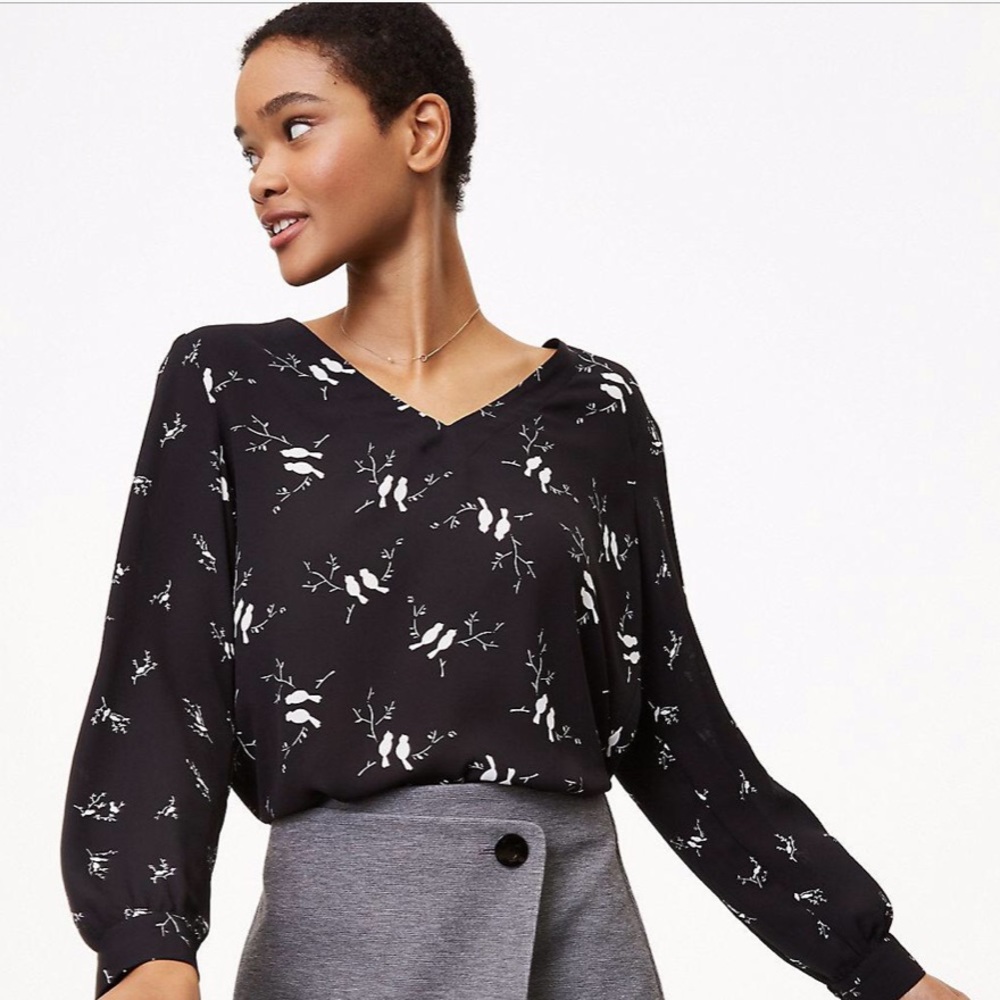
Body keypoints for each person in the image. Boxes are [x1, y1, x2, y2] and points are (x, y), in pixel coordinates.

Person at [59, 5, 969, 1000]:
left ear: (421, 131)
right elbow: (159, 687)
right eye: (249, 149)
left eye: (297, 127)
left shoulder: (594, 412)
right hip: (344, 953)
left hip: (578, 946)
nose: (262, 176)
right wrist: (146, 950)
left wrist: (879, 971)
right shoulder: (230, 383)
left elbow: (674, 730)